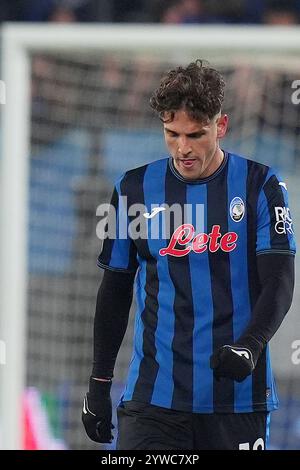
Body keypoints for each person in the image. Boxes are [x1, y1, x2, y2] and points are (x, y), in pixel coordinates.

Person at [82, 60, 296, 450]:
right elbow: (114, 289)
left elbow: (280, 279)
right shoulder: (134, 189)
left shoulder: (260, 185)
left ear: (221, 126)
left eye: (195, 135)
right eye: (172, 133)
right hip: (154, 401)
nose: (183, 148)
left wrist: (250, 344)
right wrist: (99, 382)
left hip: (236, 397)